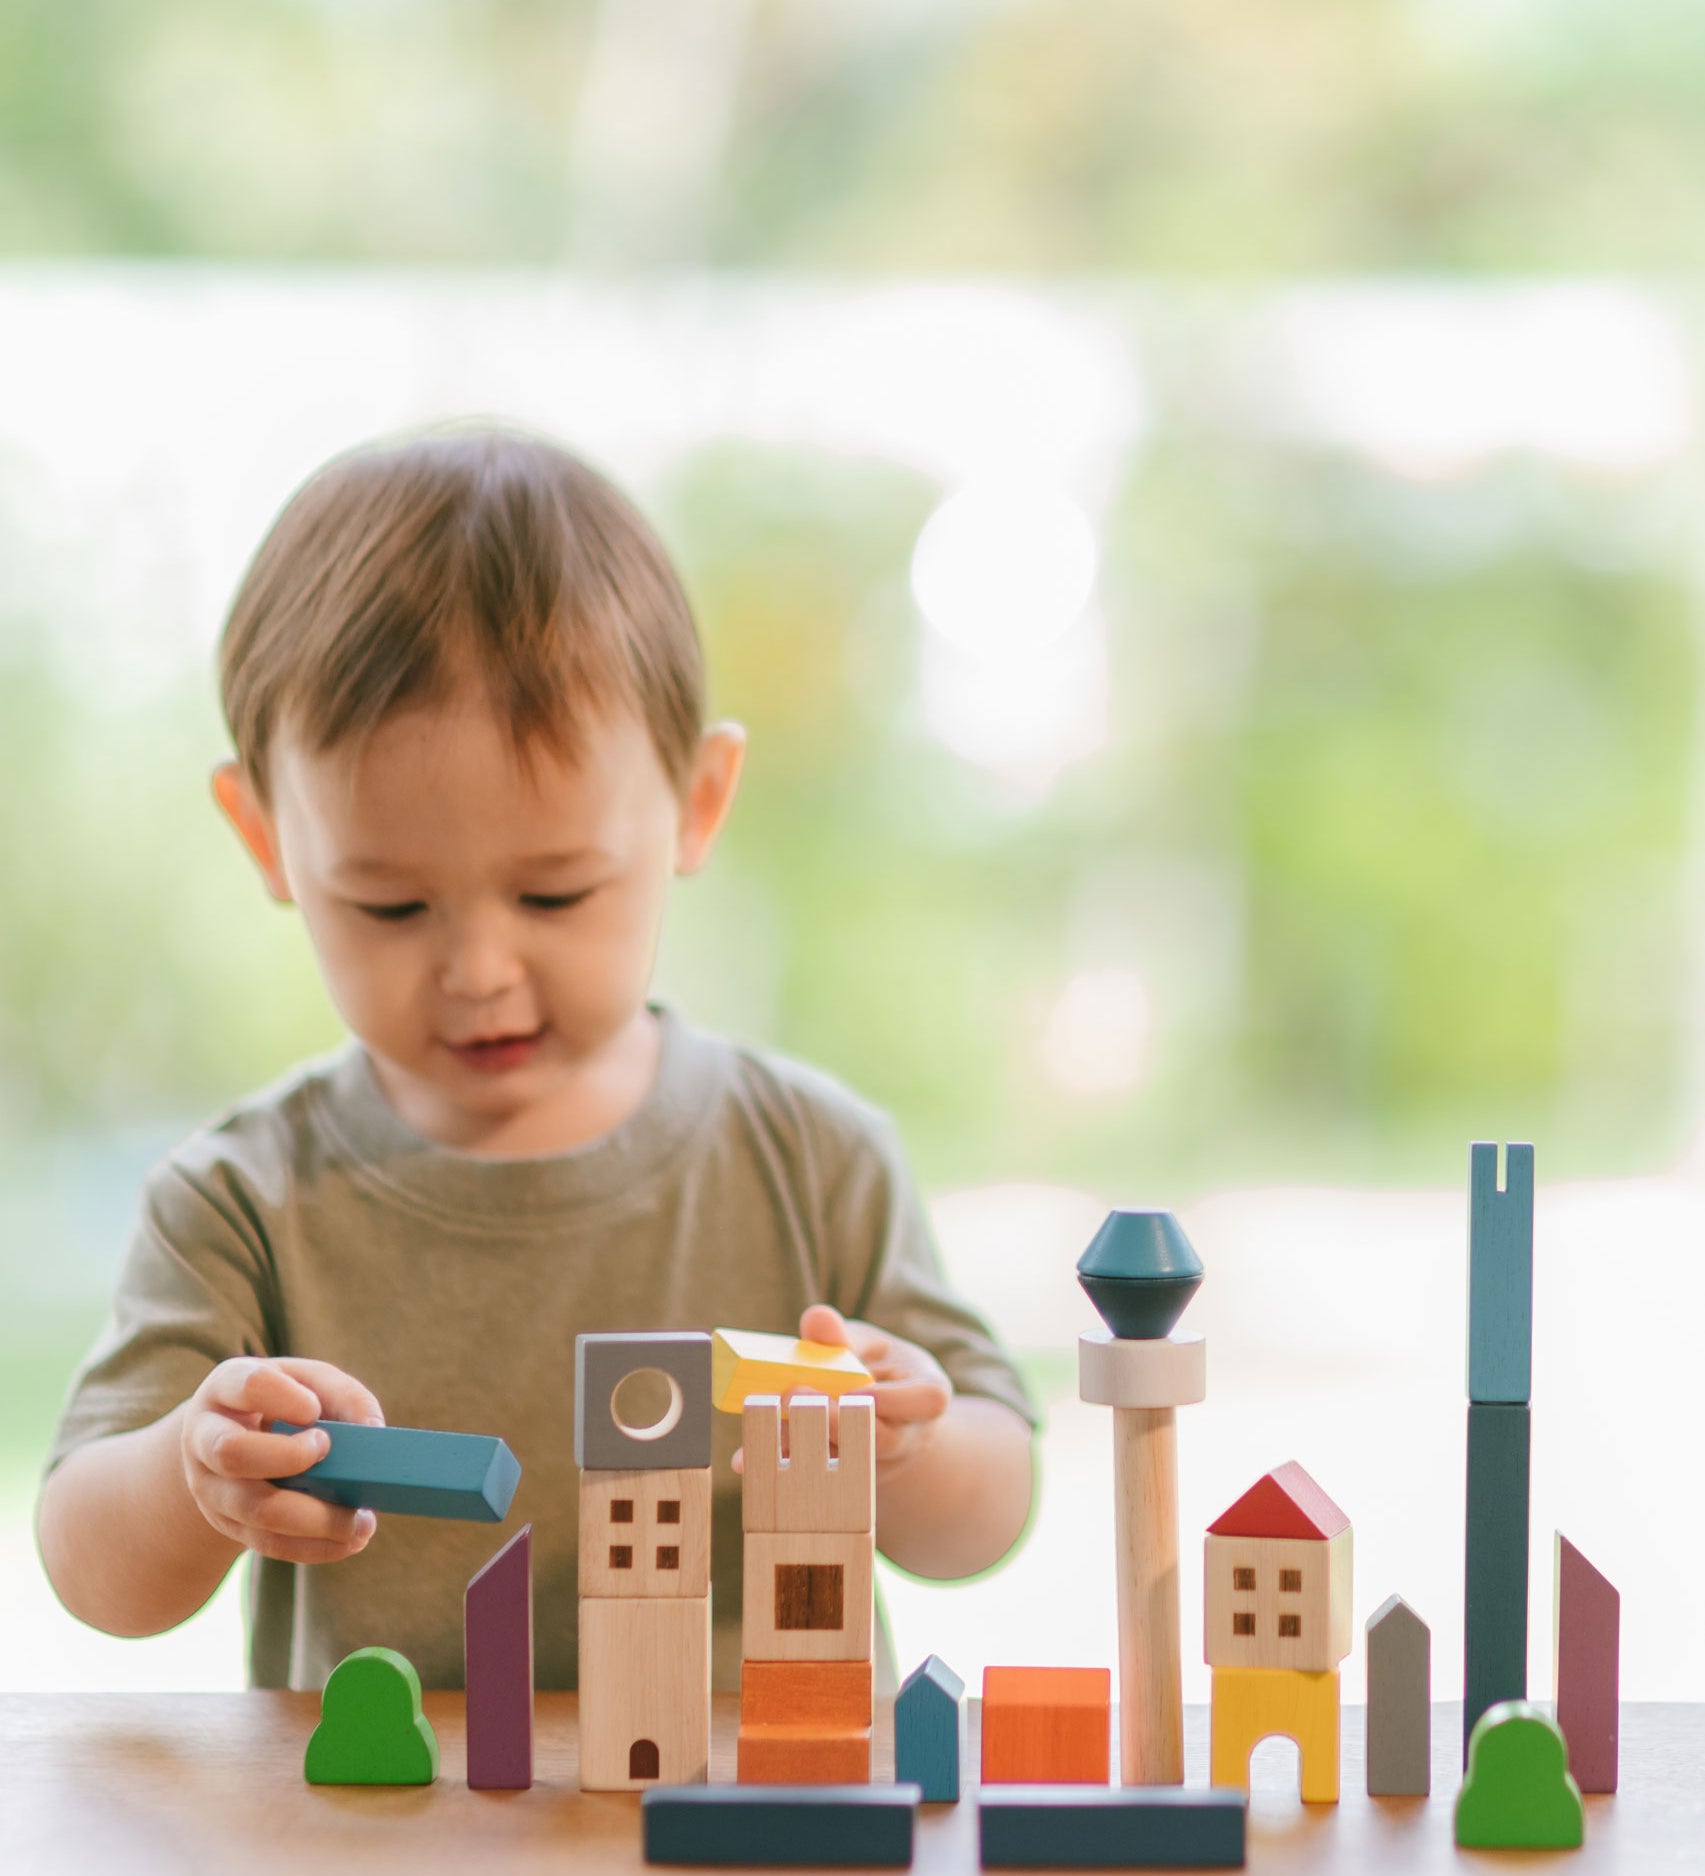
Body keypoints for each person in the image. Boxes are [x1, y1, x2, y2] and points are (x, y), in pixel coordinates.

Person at [34, 425, 1037, 1694]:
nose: (478, 971)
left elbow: (989, 1513)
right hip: (388, 1825)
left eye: (555, 894)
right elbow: (90, 1569)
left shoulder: (810, 1156)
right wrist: (194, 1471)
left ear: (697, 801)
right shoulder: (243, 1199)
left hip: (745, 1803)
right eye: (392, 907)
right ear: (265, 838)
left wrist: (905, 1454)